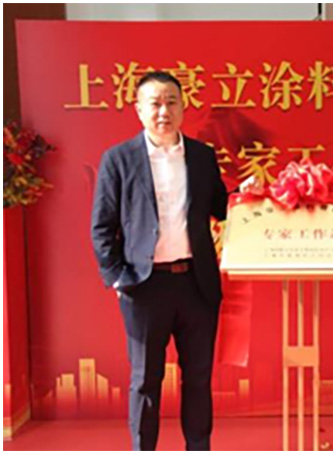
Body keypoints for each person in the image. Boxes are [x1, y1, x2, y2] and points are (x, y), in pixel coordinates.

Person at [91, 71, 227, 450]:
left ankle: (198, 447)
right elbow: (102, 226)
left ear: (183, 107)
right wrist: (118, 278)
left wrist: (246, 195)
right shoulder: (118, 159)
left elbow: (221, 206)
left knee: (198, 378)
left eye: (171, 102)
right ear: (139, 110)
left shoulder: (202, 156)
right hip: (144, 286)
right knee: (145, 381)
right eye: (154, 103)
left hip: (196, 284)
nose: (163, 111)